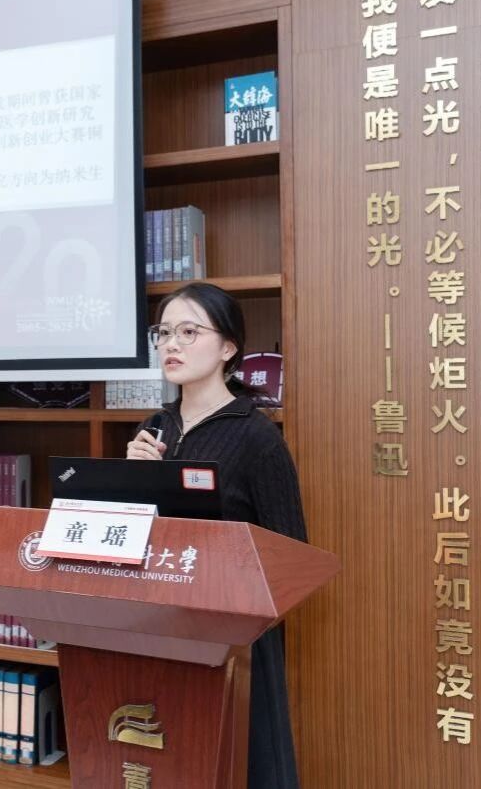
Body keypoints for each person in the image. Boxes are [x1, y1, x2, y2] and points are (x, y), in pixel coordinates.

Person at [126, 281, 306, 789]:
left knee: (237, 765)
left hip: (234, 637)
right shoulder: (154, 427)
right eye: (164, 333)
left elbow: (291, 554)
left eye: (188, 332)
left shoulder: (257, 436)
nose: (171, 344)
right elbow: (134, 533)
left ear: (228, 347)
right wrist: (132, 479)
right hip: (159, 623)